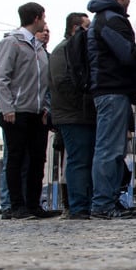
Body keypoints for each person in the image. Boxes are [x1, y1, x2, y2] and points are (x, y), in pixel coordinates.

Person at [87, 0, 136, 220]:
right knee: (109, 150)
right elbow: (126, 54)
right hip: (112, 89)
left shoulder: (103, 17)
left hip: (109, 89)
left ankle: (108, 201)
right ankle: (103, 204)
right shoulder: (112, 19)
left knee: (111, 149)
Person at [0, 2, 52, 220]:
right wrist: (7, 107)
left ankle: (33, 204)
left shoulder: (38, 47)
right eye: (44, 17)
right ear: (36, 18)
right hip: (17, 112)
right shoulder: (12, 43)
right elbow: (1, 77)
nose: (45, 21)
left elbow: (44, 82)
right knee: (17, 159)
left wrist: (45, 107)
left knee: (37, 160)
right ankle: (16, 205)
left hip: (38, 112)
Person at [50, 12, 96, 219]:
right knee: (78, 160)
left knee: (84, 159)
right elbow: (62, 83)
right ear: (75, 28)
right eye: (87, 27)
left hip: (79, 113)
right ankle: (78, 207)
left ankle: (83, 204)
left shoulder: (74, 49)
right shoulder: (63, 50)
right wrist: (86, 99)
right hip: (72, 115)